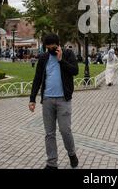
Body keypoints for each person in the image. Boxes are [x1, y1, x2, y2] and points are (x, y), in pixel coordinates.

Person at [29, 34, 79, 169]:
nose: (50, 50)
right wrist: (32, 98)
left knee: (65, 130)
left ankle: (72, 153)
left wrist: (61, 60)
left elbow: (75, 71)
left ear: (58, 44)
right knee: (49, 133)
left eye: (53, 48)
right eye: (48, 48)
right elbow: (37, 78)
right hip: (47, 100)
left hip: (64, 100)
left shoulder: (68, 54)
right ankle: (52, 163)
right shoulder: (44, 58)